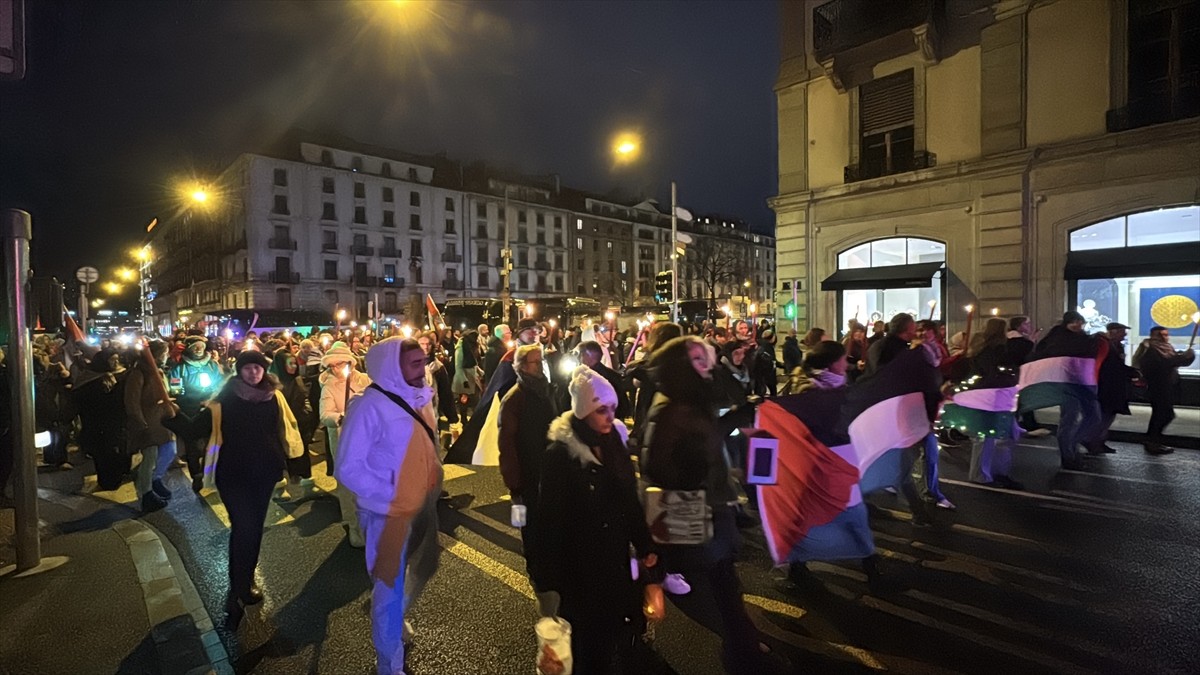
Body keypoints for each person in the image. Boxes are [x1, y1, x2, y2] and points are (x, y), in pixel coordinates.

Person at [642, 336, 777, 674]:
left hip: (709, 505)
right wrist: (691, 472)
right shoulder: (671, 408)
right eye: (700, 360)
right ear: (682, 367)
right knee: (711, 584)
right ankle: (743, 648)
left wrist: (739, 414)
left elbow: (707, 435)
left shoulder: (689, 401)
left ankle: (742, 645)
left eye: (708, 359)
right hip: (692, 508)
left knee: (721, 582)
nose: (709, 366)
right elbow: (658, 464)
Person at [535, 366, 654, 674]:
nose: (609, 416)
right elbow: (549, 519)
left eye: (613, 409)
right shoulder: (560, 455)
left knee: (615, 631)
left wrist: (645, 544)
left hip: (614, 558)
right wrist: (547, 576)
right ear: (583, 410)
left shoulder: (613, 439)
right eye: (601, 410)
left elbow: (629, 496)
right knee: (586, 645)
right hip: (580, 567)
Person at [335, 338, 444, 675]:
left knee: (424, 566)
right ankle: (389, 663)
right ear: (391, 367)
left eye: (423, 361)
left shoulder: (419, 397)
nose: (422, 369)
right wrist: (392, 492)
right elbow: (348, 467)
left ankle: (391, 619)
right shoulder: (368, 407)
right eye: (414, 363)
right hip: (387, 514)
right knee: (390, 589)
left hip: (422, 506)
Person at [195, 350, 304, 629]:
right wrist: (172, 417)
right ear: (239, 371)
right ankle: (238, 586)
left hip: (264, 472)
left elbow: (286, 430)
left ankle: (247, 579)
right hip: (233, 473)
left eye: (258, 368)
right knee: (243, 526)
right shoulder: (224, 399)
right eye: (248, 368)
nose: (253, 373)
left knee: (254, 528)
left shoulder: (273, 396)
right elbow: (195, 429)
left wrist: (291, 464)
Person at [497, 344, 559, 585]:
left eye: (541, 360)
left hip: (547, 468)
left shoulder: (545, 390)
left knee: (547, 518)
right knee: (528, 522)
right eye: (536, 361)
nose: (541, 364)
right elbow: (507, 443)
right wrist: (513, 481)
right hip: (527, 471)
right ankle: (536, 568)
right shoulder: (515, 398)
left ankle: (549, 562)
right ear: (522, 367)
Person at [1034, 311, 1106, 469]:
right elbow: (1046, 354)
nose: (1077, 325)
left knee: (1094, 416)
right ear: (1066, 323)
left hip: (1083, 382)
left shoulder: (1084, 338)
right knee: (1070, 418)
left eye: (1080, 321)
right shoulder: (1057, 337)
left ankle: (1072, 444)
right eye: (1073, 321)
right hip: (1066, 383)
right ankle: (1068, 456)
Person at [320, 341, 372, 546]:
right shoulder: (329, 387)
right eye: (332, 365)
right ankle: (354, 526)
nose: (336, 368)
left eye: (340, 364)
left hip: (368, 440)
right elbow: (325, 415)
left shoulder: (366, 380)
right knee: (348, 487)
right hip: (344, 442)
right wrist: (341, 417)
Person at [962, 318, 1024, 489]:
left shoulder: (980, 349)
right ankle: (982, 474)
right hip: (992, 397)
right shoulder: (995, 351)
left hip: (991, 396)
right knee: (987, 437)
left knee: (1000, 436)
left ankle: (995, 472)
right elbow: (994, 373)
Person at [125, 341, 177, 512]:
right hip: (147, 421)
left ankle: (156, 479)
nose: (166, 356)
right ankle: (147, 493)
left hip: (161, 421)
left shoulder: (159, 372)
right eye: (164, 353)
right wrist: (140, 423)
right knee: (150, 458)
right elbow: (132, 401)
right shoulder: (139, 373)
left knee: (170, 450)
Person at [169, 335, 225, 492]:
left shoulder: (212, 365)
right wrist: (192, 398)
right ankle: (196, 474)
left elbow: (221, 383)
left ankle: (209, 471)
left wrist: (212, 396)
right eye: (195, 346)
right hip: (190, 410)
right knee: (192, 445)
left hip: (209, 407)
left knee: (210, 442)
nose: (199, 349)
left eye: (201, 346)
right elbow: (176, 390)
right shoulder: (180, 368)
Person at [1133, 325, 1196, 455]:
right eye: (1160, 335)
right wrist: (1181, 358)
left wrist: (1188, 356)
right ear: (1153, 335)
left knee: (1162, 414)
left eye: (1166, 334)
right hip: (1157, 386)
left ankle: (1152, 440)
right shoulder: (1149, 348)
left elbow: (1176, 361)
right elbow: (1161, 364)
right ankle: (1152, 441)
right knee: (1163, 414)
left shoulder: (1166, 348)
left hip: (1167, 386)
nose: (1164, 337)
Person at [268, 350, 322, 500]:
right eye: (289, 364)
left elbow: (305, 399)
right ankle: (280, 488)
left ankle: (305, 482)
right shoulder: (272, 383)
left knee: (301, 453)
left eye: (294, 363)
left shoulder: (297, 380)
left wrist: (308, 418)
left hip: (300, 424)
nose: (293, 366)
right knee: (280, 455)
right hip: (280, 424)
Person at [77, 348, 130, 491]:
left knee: (118, 450)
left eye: (117, 359)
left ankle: (119, 474)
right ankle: (107, 481)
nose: (116, 362)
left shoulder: (123, 374)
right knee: (103, 454)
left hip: (117, 421)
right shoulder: (88, 377)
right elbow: (81, 399)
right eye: (112, 359)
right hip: (96, 422)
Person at [1085, 322, 1139, 455]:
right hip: (1104, 386)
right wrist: (1131, 372)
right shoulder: (1101, 344)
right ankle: (1092, 441)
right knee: (1103, 416)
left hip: (1115, 386)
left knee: (1109, 415)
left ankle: (1099, 441)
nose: (1125, 334)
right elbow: (1111, 366)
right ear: (1113, 332)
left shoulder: (1117, 346)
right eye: (1122, 331)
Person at [1006, 315, 1048, 437]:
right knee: (1021, 399)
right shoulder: (1021, 342)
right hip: (1019, 375)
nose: (1029, 326)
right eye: (1027, 324)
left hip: (1011, 375)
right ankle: (1026, 425)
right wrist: (1031, 342)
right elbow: (1025, 357)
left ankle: (1024, 424)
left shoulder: (1009, 340)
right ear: (1019, 326)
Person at [578, 340, 629, 419]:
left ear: (589, 356)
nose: (579, 358)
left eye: (581, 354)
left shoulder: (586, 378)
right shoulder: (613, 375)